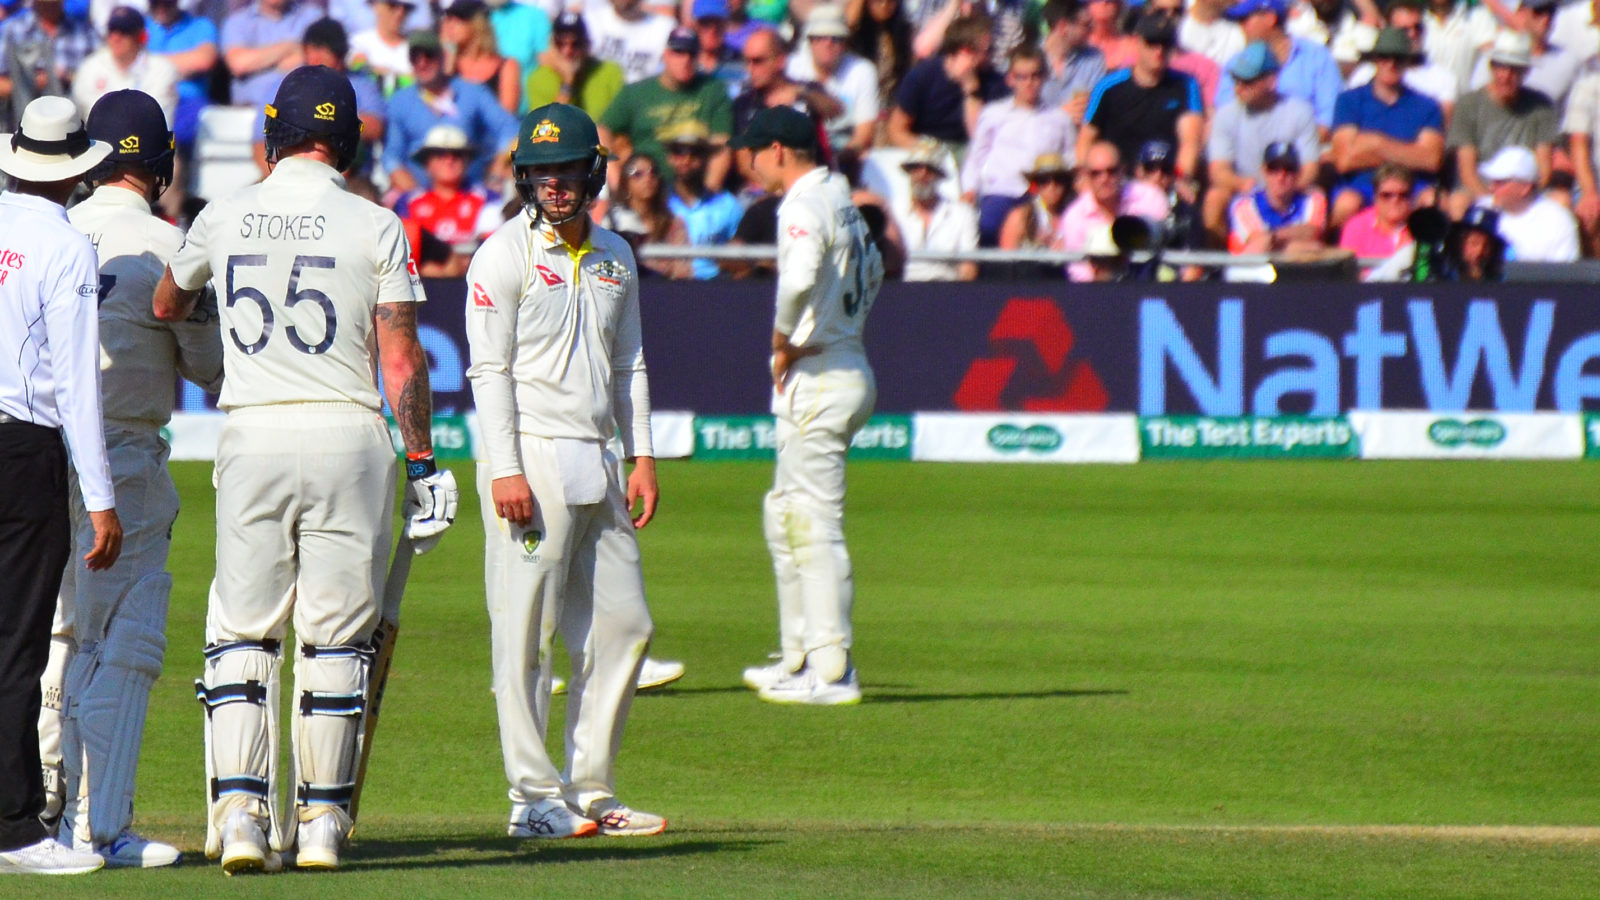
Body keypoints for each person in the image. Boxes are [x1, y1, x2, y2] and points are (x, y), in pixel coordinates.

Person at [154, 65, 458, 874]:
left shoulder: (224, 214)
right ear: (348, 141)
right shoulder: (378, 225)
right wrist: (423, 461)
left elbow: (164, 303)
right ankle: (321, 824)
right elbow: (400, 357)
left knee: (243, 636)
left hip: (254, 432)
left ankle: (243, 818)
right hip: (350, 438)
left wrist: (216, 342)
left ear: (271, 136)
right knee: (335, 639)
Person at [465, 101, 665, 839]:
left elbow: (629, 361)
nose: (555, 184)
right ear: (525, 176)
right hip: (531, 459)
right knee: (525, 631)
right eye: (543, 171)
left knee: (624, 623)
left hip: (598, 459)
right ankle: (529, 798)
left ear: (593, 173)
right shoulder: (502, 255)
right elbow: (488, 371)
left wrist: (641, 454)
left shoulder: (615, 254)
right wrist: (506, 470)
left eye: (567, 169)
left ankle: (588, 787)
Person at [47, 89, 221, 870]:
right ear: (159, 165)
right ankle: (97, 826)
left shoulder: (47, 232)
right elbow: (212, 367)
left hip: (31, 460)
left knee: (49, 636)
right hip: (123, 461)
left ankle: (35, 811)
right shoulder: (167, 241)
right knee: (126, 638)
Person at [0, 94, 121, 877]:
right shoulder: (68, 247)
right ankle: (13, 827)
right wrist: (103, 498)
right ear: (74, 171)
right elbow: (77, 384)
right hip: (23, 452)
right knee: (16, 644)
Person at [733, 105, 882, 706]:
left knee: (812, 522)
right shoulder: (842, 196)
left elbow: (797, 279)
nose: (748, 163)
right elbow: (873, 272)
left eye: (753, 152)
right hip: (843, 364)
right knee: (785, 513)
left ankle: (832, 669)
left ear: (777, 150)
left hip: (820, 373)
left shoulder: (800, 203)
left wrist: (782, 338)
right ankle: (798, 658)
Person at [1328, 27, 1445, 229]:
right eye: (1384, 57)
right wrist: (1408, 152)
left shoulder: (1427, 106)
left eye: (1398, 58)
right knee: (1346, 204)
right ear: (1375, 59)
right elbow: (1344, 160)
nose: (1391, 64)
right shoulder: (1349, 101)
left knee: (1432, 201)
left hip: (1411, 187)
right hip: (1363, 187)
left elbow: (1431, 159)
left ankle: (1426, 259)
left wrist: (1376, 144)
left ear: (1407, 61)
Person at [1203, 40, 1318, 245]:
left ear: (1271, 81)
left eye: (1247, 82)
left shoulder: (1299, 111)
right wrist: (1243, 184)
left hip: (1289, 187)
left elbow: (1310, 169)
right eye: (1236, 80)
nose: (1238, 88)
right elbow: (1218, 171)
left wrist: (1283, 189)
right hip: (1245, 191)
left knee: (1316, 195)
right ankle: (1219, 264)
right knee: (1214, 199)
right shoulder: (1226, 115)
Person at [1079, 15, 1203, 203]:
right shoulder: (1109, 87)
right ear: (1137, 43)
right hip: (1117, 181)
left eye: (1165, 44)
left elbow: (1190, 141)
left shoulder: (1185, 85)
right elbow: (1086, 140)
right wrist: (1086, 178)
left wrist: (1181, 178)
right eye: (1151, 43)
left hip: (1165, 179)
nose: (1159, 51)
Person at [961, 44, 1075, 246]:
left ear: (1044, 77)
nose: (1029, 83)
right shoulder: (993, 114)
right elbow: (977, 155)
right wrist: (969, 189)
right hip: (1001, 192)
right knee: (986, 231)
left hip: (1043, 196)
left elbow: (1068, 159)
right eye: (1022, 77)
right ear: (1010, 79)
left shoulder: (1060, 118)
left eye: (1035, 76)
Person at [598, 25, 734, 191]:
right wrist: (616, 180)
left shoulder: (713, 90)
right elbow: (601, 130)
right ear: (665, 55)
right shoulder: (636, 92)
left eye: (691, 54)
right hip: (648, 187)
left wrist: (709, 192)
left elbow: (721, 146)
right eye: (678, 52)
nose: (685, 60)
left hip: (695, 187)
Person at [384, 31, 519, 195]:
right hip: (421, 196)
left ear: (442, 57)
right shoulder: (400, 101)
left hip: (472, 193)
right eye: (415, 58)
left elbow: (510, 129)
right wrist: (417, 197)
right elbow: (392, 156)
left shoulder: (472, 92)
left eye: (429, 55)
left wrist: (497, 171)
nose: (422, 63)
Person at [1446, 30, 1558, 211]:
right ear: (1492, 67)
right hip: (1481, 188)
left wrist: (1521, 197)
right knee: (1458, 202)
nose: (1506, 76)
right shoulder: (1469, 104)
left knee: (1562, 200)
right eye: (1501, 67)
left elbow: (1544, 170)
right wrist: (1493, 201)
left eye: (1514, 69)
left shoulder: (1541, 106)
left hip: (1526, 190)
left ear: (1526, 71)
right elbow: (1467, 172)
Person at [1215, 0, 1342, 133]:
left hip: (1308, 147)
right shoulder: (1235, 64)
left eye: (1245, 19)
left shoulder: (1316, 56)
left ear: (1270, 18)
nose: (1241, 26)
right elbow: (1226, 117)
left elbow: (1329, 117)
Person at [396, 124, 505, 277]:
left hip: (474, 278)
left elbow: (494, 249)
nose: (449, 160)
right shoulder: (407, 202)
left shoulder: (489, 199)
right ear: (426, 162)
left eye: (457, 155)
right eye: (440, 154)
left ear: (467, 160)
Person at [886, 14, 1004, 156]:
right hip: (926, 147)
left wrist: (971, 89)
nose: (992, 55)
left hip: (968, 152)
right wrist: (929, 151)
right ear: (965, 51)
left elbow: (980, 138)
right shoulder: (923, 76)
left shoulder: (995, 83)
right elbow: (896, 130)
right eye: (987, 50)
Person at [1058, 139, 1168, 280]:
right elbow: (1078, 272)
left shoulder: (1150, 197)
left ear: (1122, 170)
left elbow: (1162, 242)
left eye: (1112, 171)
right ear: (1086, 175)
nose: (1105, 178)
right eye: (1096, 173)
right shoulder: (1074, 217)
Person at [787, 4, 879, 156]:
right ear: (810, 41)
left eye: (836, 38)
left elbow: (864, 133)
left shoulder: (863, 71)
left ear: (845, 43)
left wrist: (839, 161)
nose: (828, 43)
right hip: (797, 152)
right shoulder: (791, 68)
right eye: (821, 37)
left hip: (844, 152)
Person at [662, 120, 743, 280]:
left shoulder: (728, 204)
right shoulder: (659, 202)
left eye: (695, 153)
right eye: (679, 152)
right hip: (666, 287)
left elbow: (741, 260)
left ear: (707, 157)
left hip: (715, 289)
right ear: (669, 158)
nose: (686, 159)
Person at [72, 7, 180, 125]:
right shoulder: (90, 68)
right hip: (99, 140)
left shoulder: (162, 70)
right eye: (112, 30)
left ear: (142, 36)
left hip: (146, 141)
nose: (116, 37)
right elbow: (86, 115)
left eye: (125, 31)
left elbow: (158, 119)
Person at [0, 0, 99, 128]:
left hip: (73, 126)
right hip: (23, 124)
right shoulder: (9, 30)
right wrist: (31, 82)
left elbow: (101, 74)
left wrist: (69, 77)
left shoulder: (85, 32)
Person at [893, 137, 979, 280]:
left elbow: (969, 266)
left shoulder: (962, 214)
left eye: (930, 170)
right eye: (916, 168)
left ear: (939, 176)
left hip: (946, 290)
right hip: (902, 289)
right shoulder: (894, 212)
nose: (922, 175)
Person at [1477, 143, 1578, 261]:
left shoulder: (1558, 220)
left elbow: (1564, 275)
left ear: (1525, 188)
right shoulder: (1481, 212)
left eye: (1500, 183)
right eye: (1492, 182)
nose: (1491, 188)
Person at [1227, 140, 1328, 254]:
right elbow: (1259, 244)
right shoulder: (1244, 205)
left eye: (1289, 169)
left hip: (1300, 269)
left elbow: (1312, 233)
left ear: (1298, 173)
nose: (1281, 176)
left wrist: (1273, 237)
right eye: (1274, 168)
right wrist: (1293, 244)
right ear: (1264, 171)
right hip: (1254, 270)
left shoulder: (1313, 200)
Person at [220, 0, 321, 112]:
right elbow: (239, 64)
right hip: (249, 111)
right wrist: (289, 47)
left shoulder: (312, 17)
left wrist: (260, 62)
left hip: (299, 112)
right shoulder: (238, 22)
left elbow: (319, 57)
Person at [604, 152, 691, 277]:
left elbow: (683, 270)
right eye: (638, 174)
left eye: (653, 172)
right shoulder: (614, 222)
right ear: (626, 182)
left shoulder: (673, 224)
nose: (648, 179)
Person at [524, 12, 624, 119]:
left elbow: (620, 122)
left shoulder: (609, 72)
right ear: (551, 45)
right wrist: (567, 86)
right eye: (560, 43)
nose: (568, 51)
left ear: (587, 44)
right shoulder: (537, 79)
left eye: (575, 43)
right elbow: (548, 128)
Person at [996, 151, 1071, 279]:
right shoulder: (1021, 216)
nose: (1052, 186)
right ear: (1035, 185)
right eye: (1044, 180)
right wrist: (1037, 247)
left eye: (1058, 180)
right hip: (1029, 285)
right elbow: (1006, 262)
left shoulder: (1073, 214)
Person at [443, 0, 521, 114]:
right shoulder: (446, 64)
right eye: (449, 19)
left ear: (477, 24)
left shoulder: (506, 66)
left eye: (459, 20)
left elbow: (506, 118)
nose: (451, 26)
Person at [1038, 0, 1107, 125]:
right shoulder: (1029, 59)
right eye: (1086, 25)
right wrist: (1059, 114)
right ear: (1063, 26)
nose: (1091, 30)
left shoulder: (1093, 59)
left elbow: (1093, 107)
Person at [1339, 162, 1416, 260]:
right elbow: (1348, 271)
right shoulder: (1357, 227)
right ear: (1375, 198)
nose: (1395, 200)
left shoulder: (1422, 228)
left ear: (1412, 197)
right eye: (1386, 195)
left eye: (1403, 195)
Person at [349, 0, 414, 91]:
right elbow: (357, 72)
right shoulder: (358, 43)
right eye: (392, 5)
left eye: (406, 8)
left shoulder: (415, 47)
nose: (400, 13)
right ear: (376, 6)